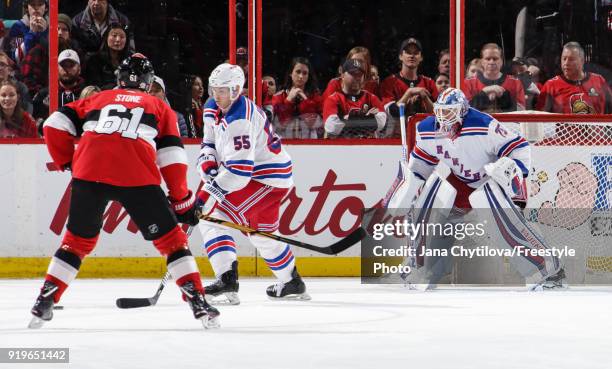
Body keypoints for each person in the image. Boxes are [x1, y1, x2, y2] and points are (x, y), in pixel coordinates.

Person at [29, 54, 219, 329]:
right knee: (172, 242)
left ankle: (44, 301)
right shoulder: (157, 105)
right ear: (148, 82)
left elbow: (52, 125)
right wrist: (182, 203)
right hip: (137, 176)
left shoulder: (98, 98)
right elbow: (172, 157)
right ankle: (198, 302)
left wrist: (69, 161)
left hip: (89, 173)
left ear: (119, 79)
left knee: (76, 241)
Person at [384, 88, 565, 290]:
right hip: (460, 181)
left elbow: (519, 146)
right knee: (431, 211)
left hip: (489, 178)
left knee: (505, 225)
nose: (444, 118)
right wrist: (409, 188)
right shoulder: (427, 129)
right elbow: (420, 168)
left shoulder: (483, 124)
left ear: (463, 111)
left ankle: (547, 271)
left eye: (450, 111)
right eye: (441, 111)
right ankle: (421, 268)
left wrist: (516, 176)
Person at [196, 63, 309, 304]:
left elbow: (239, 174)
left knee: (210, 216)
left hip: (264, 179)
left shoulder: (239, 120)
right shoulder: (212, 107)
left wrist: (206, 195)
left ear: (236, 90)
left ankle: (227, 282)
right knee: (261, 234)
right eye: (214, 89)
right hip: (267, 178)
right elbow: (209, 141)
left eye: (223, 90)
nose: (217, 95)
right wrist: (206, 161)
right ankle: (292, 282)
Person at [379, 38, 437, 137]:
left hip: (424, 136)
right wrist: (409, 93)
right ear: (400, 56)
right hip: (396, 138)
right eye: (408, 52)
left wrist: (425, 98)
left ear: (421, 57)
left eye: (416, 53)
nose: (412, 56)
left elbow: (439, 114)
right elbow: (393, 112)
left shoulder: (429, 83)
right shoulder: (389, 82)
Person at [536, 42, 612, 114]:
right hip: (562, 128)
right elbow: (540, 119)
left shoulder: (598, 81)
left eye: (571, 59)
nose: (566, 63)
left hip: (595, 127)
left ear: (582, 61)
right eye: (564, 59)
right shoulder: (551, 85)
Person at [323, 59, 386, 139]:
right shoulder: (333, 99)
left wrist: (346, 118)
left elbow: (381, 122)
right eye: (352, 74)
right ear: (342, 75)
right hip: (341, 148)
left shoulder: (371, 98)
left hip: (367, 148)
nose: (357, 78)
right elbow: (332, 127)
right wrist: (366, 118)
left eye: (360, 74)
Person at [463, 43, 525, 113]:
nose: (491, 62)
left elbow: (521, 111)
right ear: (482, 62)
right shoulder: (468, 83)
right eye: (488, 59)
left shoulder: (515, 82)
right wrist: (484, 92)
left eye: (495, 59)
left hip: (507, 123)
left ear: (501, 61)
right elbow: (463, 110)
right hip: (477, 124)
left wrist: (504, 95)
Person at [272, 57, 323, 139]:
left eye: (305, 73)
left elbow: (315, 124)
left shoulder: (316, 97)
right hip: (284, 145)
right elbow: (281, 123)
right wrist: (289, 100)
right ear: (290, 73)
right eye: (298, 72)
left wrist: (306, 101)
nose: (301, 76)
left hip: (310, 146)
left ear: (308, 76)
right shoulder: (278, 96)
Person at [33, 49, 85, 123]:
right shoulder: (44, 94)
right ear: (56, 68)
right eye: (63, 66)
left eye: (71, 65)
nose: (67, 70)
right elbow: (35, 120)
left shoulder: (88, 93)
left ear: (79, 69)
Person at [83, 23, 131, 90]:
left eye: (122, 37)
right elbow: (93, 86)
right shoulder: (93, 59)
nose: (118, 40)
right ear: (106, 37)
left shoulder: (131, 60)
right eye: (114, 36)